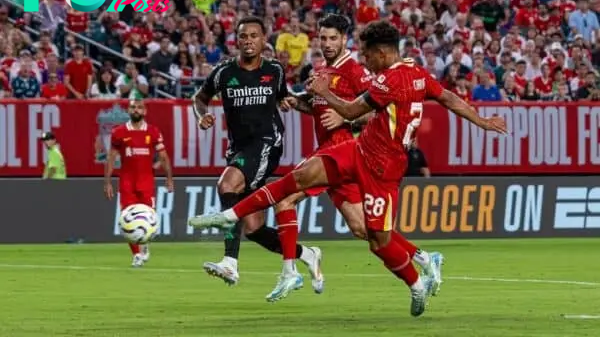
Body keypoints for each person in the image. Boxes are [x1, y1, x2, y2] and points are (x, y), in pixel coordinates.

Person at [189, 20, 507, 316]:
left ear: (381, 53)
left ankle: (417, 280)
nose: (365, 60)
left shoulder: (387, 80)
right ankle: (230, 217)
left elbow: (353, 109)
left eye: (367, 54)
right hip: (357, 150)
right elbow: (449, 98)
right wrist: (482, 121)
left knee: (375, 239)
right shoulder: (415, 72)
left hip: (383, 169)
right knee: (297, 179)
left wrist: (326, 95)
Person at [262, 13, 441, 302]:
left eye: (333, 38)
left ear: (344, 40)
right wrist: (297, 103)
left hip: (344, 151)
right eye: (323, 38)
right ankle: (423, 257)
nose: (328, 43)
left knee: (285, 199)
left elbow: (375, 111)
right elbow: (319, 109)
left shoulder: (357, 71)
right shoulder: (322, 71)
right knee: (363, 230)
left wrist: (348, 120)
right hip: (329, 151)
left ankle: (291, 270)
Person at [191, 16, 321, 287]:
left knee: (227, 184)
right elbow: (200, 98)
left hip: (267, 143)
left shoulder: (274, 70)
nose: (248, 41)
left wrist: (288, 102)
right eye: (243, 36)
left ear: (264, 40)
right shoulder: (224, 72)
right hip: (239, 148)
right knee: (254, 228)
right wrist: (201, 116)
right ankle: (307, 254)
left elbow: (284, 95)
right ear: (236, 41)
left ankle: (230, 263)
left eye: (253, 36)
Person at [103, 99, 174, 267]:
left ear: (145, 111)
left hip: (146, 183)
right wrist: (107, 182)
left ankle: (144, 244)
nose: (136, 110)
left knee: (148, 217)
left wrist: (169, 178)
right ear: (128, 110)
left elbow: (163, 156)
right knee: (126, 218)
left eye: (139, 107)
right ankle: (136, 254)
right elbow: (111, 157)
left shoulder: (153, 132)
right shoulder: (119, 132)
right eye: (133, 107)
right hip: (127, 183)